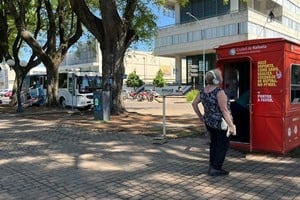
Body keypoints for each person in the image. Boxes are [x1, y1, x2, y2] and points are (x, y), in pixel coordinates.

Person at [192, 68, 236, 176]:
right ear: (217, 80)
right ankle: (216, 168)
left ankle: (212, 165)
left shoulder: (203, 91)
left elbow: (194, 104)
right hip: (220, 123)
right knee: (222, 145)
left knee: (214, 144)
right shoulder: (219, 92)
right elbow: (224, 110)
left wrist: (200, 117)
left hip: (209, 122)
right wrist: (231, 125)